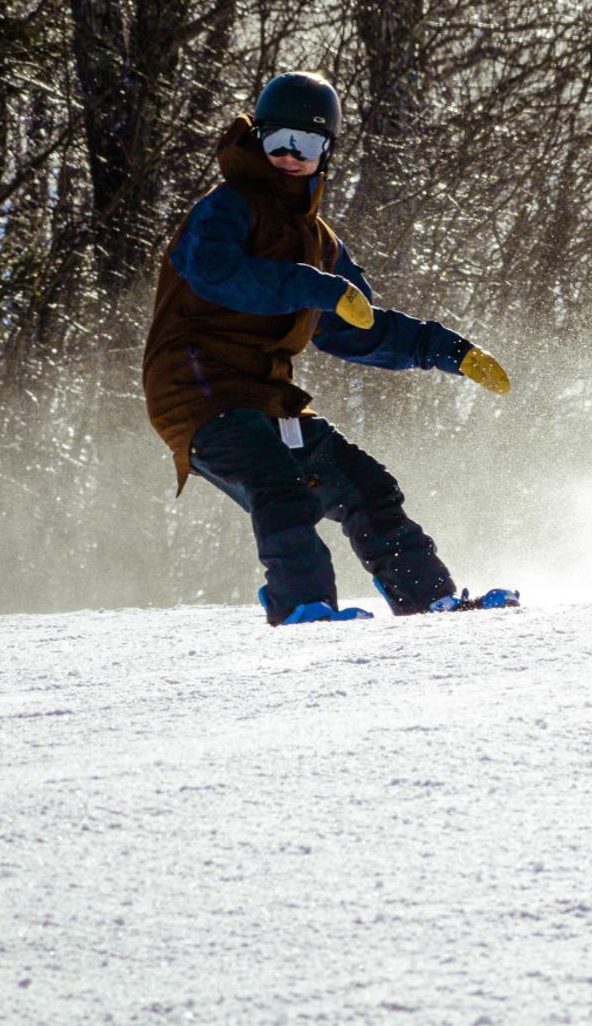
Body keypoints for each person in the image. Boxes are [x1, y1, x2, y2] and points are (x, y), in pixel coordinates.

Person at [142, 71, 519, 625]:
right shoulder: (226, 208)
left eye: (309, 144)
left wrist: (446, 351)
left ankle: (428, 600)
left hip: (268, 397)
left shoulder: (320, 239)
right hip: (195, 389)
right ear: (258, 139)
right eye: (279, 142)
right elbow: (216, 273)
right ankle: (304, 606)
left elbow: (352, 326)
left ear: (328, 153)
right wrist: (317, 287)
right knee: (280, 485)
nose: (292, 157)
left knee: (367, 487)